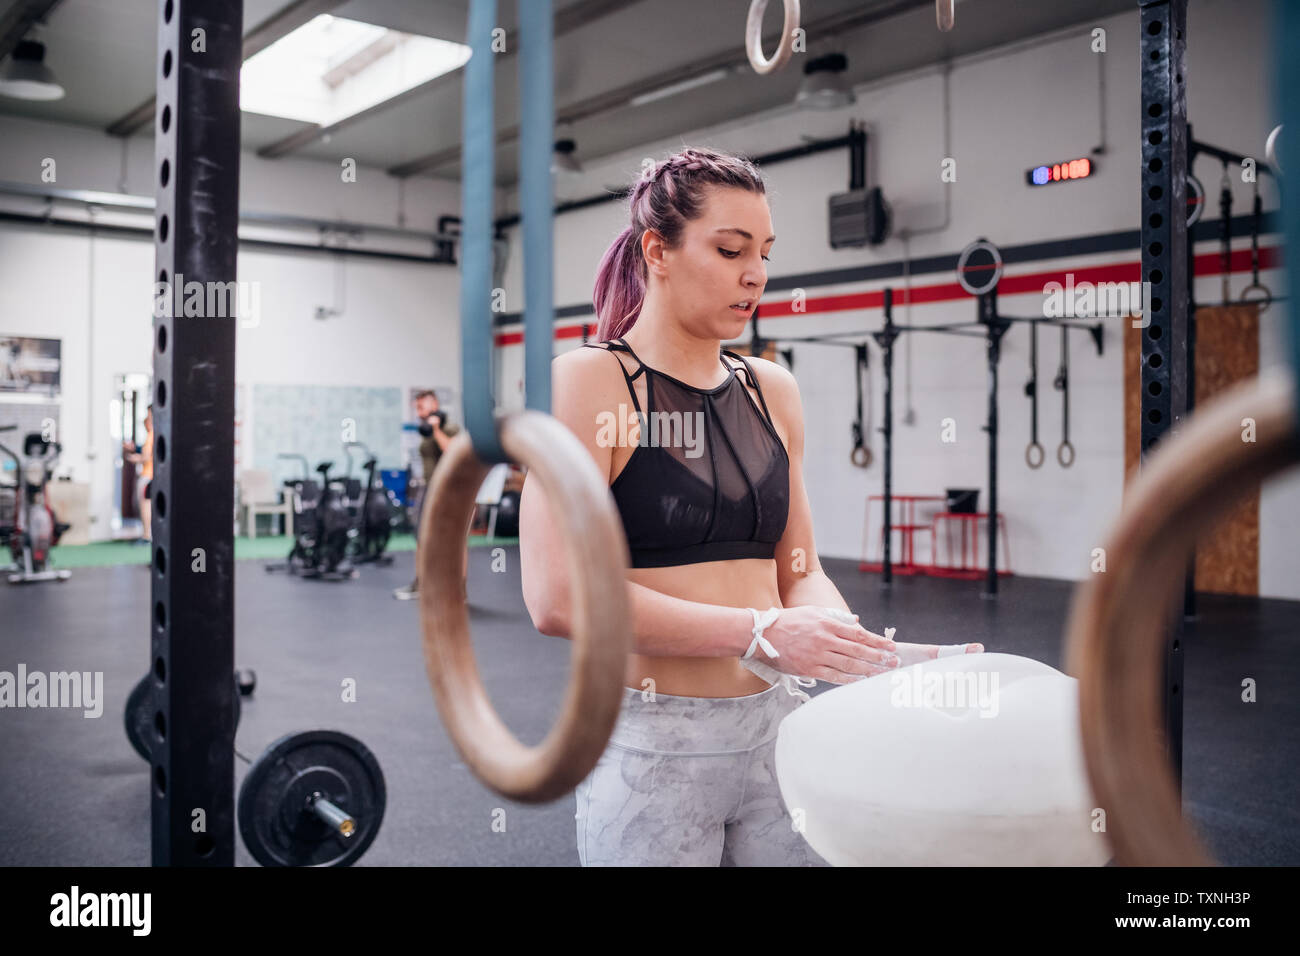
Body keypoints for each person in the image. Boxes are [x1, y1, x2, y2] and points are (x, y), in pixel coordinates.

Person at [519, 146, 983, 866]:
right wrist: (762, 633)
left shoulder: (773, 389)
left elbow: (799, 568)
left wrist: (852, 647)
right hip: (651, 750)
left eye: (764, 252)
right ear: (658, 251)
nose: (756, 274)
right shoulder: (589, 383)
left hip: (781, 738)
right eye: (731, 249)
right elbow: (559, 600)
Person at [394, 389, 460, 600]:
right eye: (416, 408)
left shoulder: (449, 427)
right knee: (422, 537)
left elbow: (452, 451)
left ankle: (446, 585)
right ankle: (423, 583)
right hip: (429, 487)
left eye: (421, 407)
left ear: (434, 405)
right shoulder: (425, 429)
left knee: (444, 539)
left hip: (443, 489)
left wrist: (436, 429)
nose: (418, 411)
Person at [122, 405, 154, 544]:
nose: (146, 419)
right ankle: (147, 534)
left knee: (146, 506)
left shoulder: (153, 434)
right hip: (148, 474)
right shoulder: (151, 434)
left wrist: (135, 458)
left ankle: (147, 536)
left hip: (148, 476)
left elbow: (146, 457)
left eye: (149, 416)